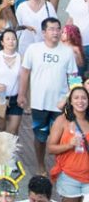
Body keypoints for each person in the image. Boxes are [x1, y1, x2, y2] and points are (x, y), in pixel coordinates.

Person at [18, 17, 79, 176]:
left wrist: (71, 99)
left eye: (58, 29)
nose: (55, 32)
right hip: (39, 103)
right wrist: (21, 94)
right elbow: (25, 72)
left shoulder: (67, 52)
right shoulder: (33, 49)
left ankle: (63, 166)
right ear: (43, 32)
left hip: (61, 104)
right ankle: (40, 165)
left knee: (62, 137)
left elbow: (73, 78)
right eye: (51, 29)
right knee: (40, 136)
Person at [46, 86, 89, 202]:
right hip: (69, 177)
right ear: (70, 101)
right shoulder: (62, 121)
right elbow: (50, 148)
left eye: (84, 98)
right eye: (76, 98)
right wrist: (69, 145)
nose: (80, 101)